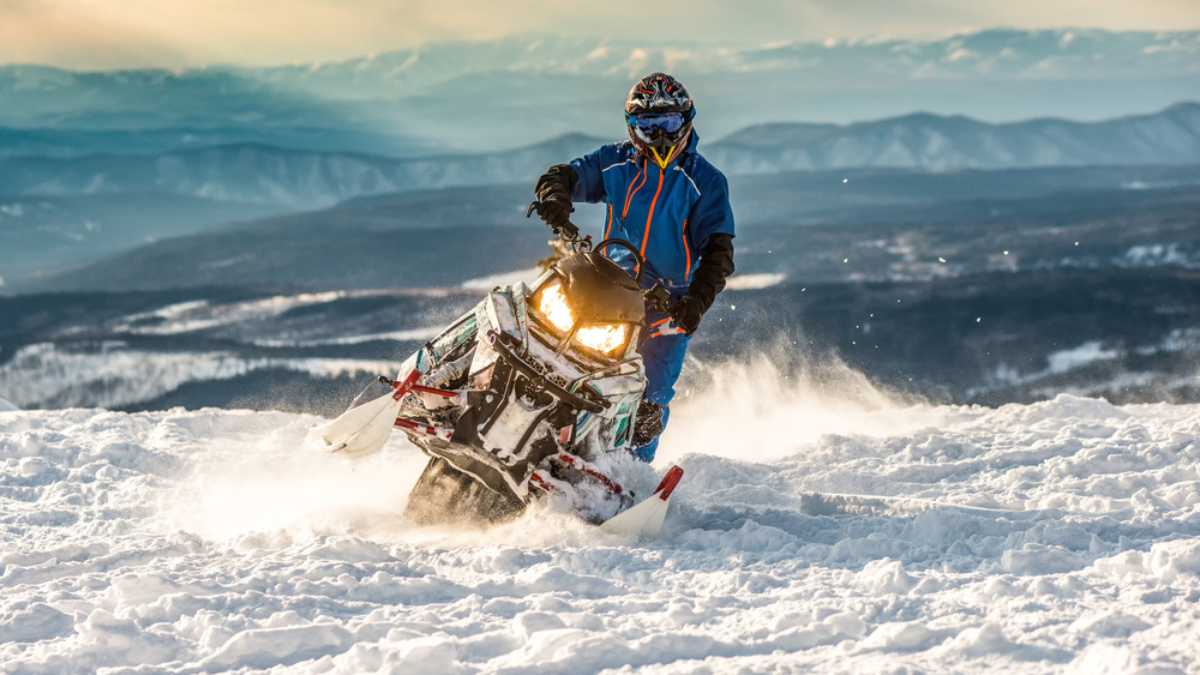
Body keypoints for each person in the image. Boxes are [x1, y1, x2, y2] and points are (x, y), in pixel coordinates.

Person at [531, 72, 736, 462]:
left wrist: (696, 302)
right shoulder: (616, 161)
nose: (659, 136)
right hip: (607, 284)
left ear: (686, 121)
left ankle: (630, 473)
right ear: (632, 127)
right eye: (648, 126)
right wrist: (554, 193)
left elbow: (718, 250)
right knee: (545, 336)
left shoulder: (705, 181)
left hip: (669, 302)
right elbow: (570, 174)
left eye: (669, 124)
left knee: (651, 392)